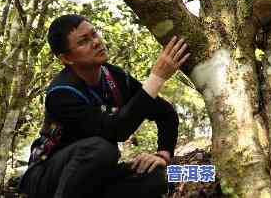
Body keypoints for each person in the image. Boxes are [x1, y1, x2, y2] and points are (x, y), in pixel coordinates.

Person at [19, 14, 190, 198]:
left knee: (158, 178)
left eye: (94, 34)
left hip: (93, 177)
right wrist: (157, 78)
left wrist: (162, 156)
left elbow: (165, 113)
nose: (96, 42)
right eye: (84, 41)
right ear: (67, 58)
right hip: (46, 178)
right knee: (101, 149)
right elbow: (115, 131)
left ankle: (208, 172)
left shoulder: (115, 77)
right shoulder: (61, 93)